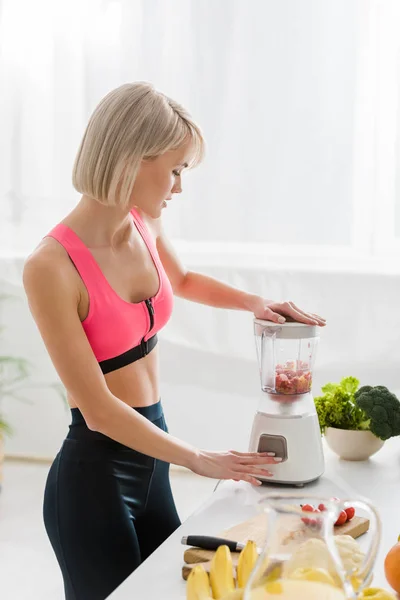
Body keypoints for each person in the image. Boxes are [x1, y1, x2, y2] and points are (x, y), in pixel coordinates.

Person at [23, 82, 325, 600]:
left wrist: (255, 303)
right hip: (94, 476)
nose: (180, 187)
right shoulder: (51, 267)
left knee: (175, 591)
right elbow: (97, 409)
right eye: (176, 168)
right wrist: (199, 459)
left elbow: (181, 281)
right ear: (131, 159)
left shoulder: (143, 223)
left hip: (152, 456)